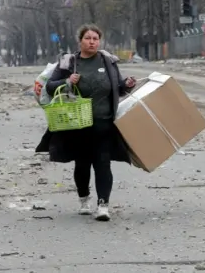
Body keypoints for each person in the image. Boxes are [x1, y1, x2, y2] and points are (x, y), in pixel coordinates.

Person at [35, 24, 136, 221]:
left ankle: (103, 205)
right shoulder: (69, 63)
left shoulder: (108, 62)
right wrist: (68, 82)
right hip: (77, 124)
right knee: (82, 163)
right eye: (88, 38)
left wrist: (127, 85)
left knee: (103, 163)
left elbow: (118, 88)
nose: (92, 42)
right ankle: (84, 199)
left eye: (95, 39)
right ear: (80, 41)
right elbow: (49, 87)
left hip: (104, 122)